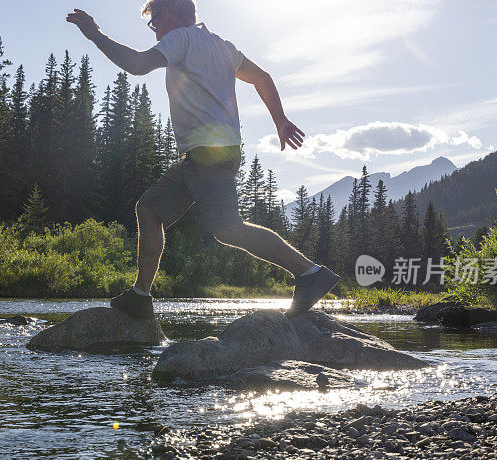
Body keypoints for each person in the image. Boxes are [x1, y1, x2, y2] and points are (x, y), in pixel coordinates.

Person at [67, 0, 339, 320]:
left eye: (154, 23)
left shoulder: (180, 37)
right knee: (150, 209)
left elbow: (139, 65)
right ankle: (140, 296)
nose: (154, 32)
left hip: (209, 153)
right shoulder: (222, 46)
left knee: (228, 229)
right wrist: (280, 120)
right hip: (205, 155)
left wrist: (95, 34)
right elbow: (262, 77)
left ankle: (309, 273)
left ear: (168, 13)